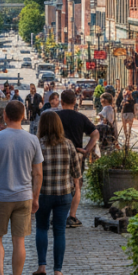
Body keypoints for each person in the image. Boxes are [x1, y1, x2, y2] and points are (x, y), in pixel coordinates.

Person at [0, 100, 43, 275]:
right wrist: (36, 196)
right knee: (19, 241)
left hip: (1, 196)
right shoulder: (32, 139)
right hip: (24, 196)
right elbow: (38, 173)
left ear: (5, 116)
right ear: (23, 116)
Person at [32, 111, 81, 275]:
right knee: (59, 231)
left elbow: (31, 172)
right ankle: (58, 270)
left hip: (43, 193)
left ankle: (41, 266)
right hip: (64, 193)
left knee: (41, 227)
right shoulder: (68, 144)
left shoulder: (37, 144)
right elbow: (77, 172)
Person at [56, 90, 98, 228]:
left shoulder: (54, 117)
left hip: (57, 155)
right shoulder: (81, 117)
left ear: (61, 102)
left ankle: (57, 215)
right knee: (77, 185)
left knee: (57, 184)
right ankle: (72, 216)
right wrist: (86, 150)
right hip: (76, 154)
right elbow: (95, 133)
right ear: (75, 102)